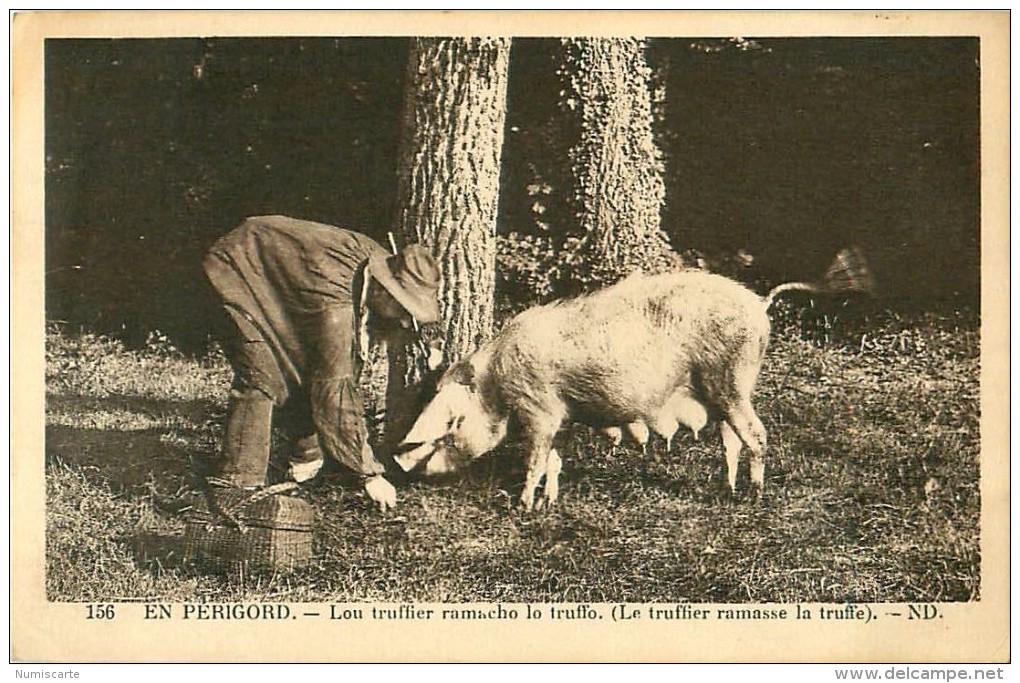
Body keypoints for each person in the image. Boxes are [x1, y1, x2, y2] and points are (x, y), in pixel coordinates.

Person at [202, 215, 441, 511]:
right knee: (263, 375)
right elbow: (334, 389)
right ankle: (236, 488)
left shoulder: (379, 262)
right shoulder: (336, 311)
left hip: (272, 272)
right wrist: (369, 474)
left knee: (304, 364)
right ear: (382, 290)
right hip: (236, 264)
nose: (405, 321)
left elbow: (333, 371)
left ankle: (303, 459)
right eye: (403, 308)